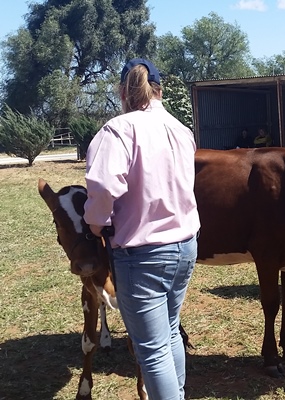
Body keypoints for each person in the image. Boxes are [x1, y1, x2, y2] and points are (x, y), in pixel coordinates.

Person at [83, 58, 200, 400]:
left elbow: (103, 187)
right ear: (160, 90)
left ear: (123, 92)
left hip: (142, 253)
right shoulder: (182, 130)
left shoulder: (118, 130)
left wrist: (96, 222)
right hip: (185, 244)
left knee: (151, 349)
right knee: (170, 334)